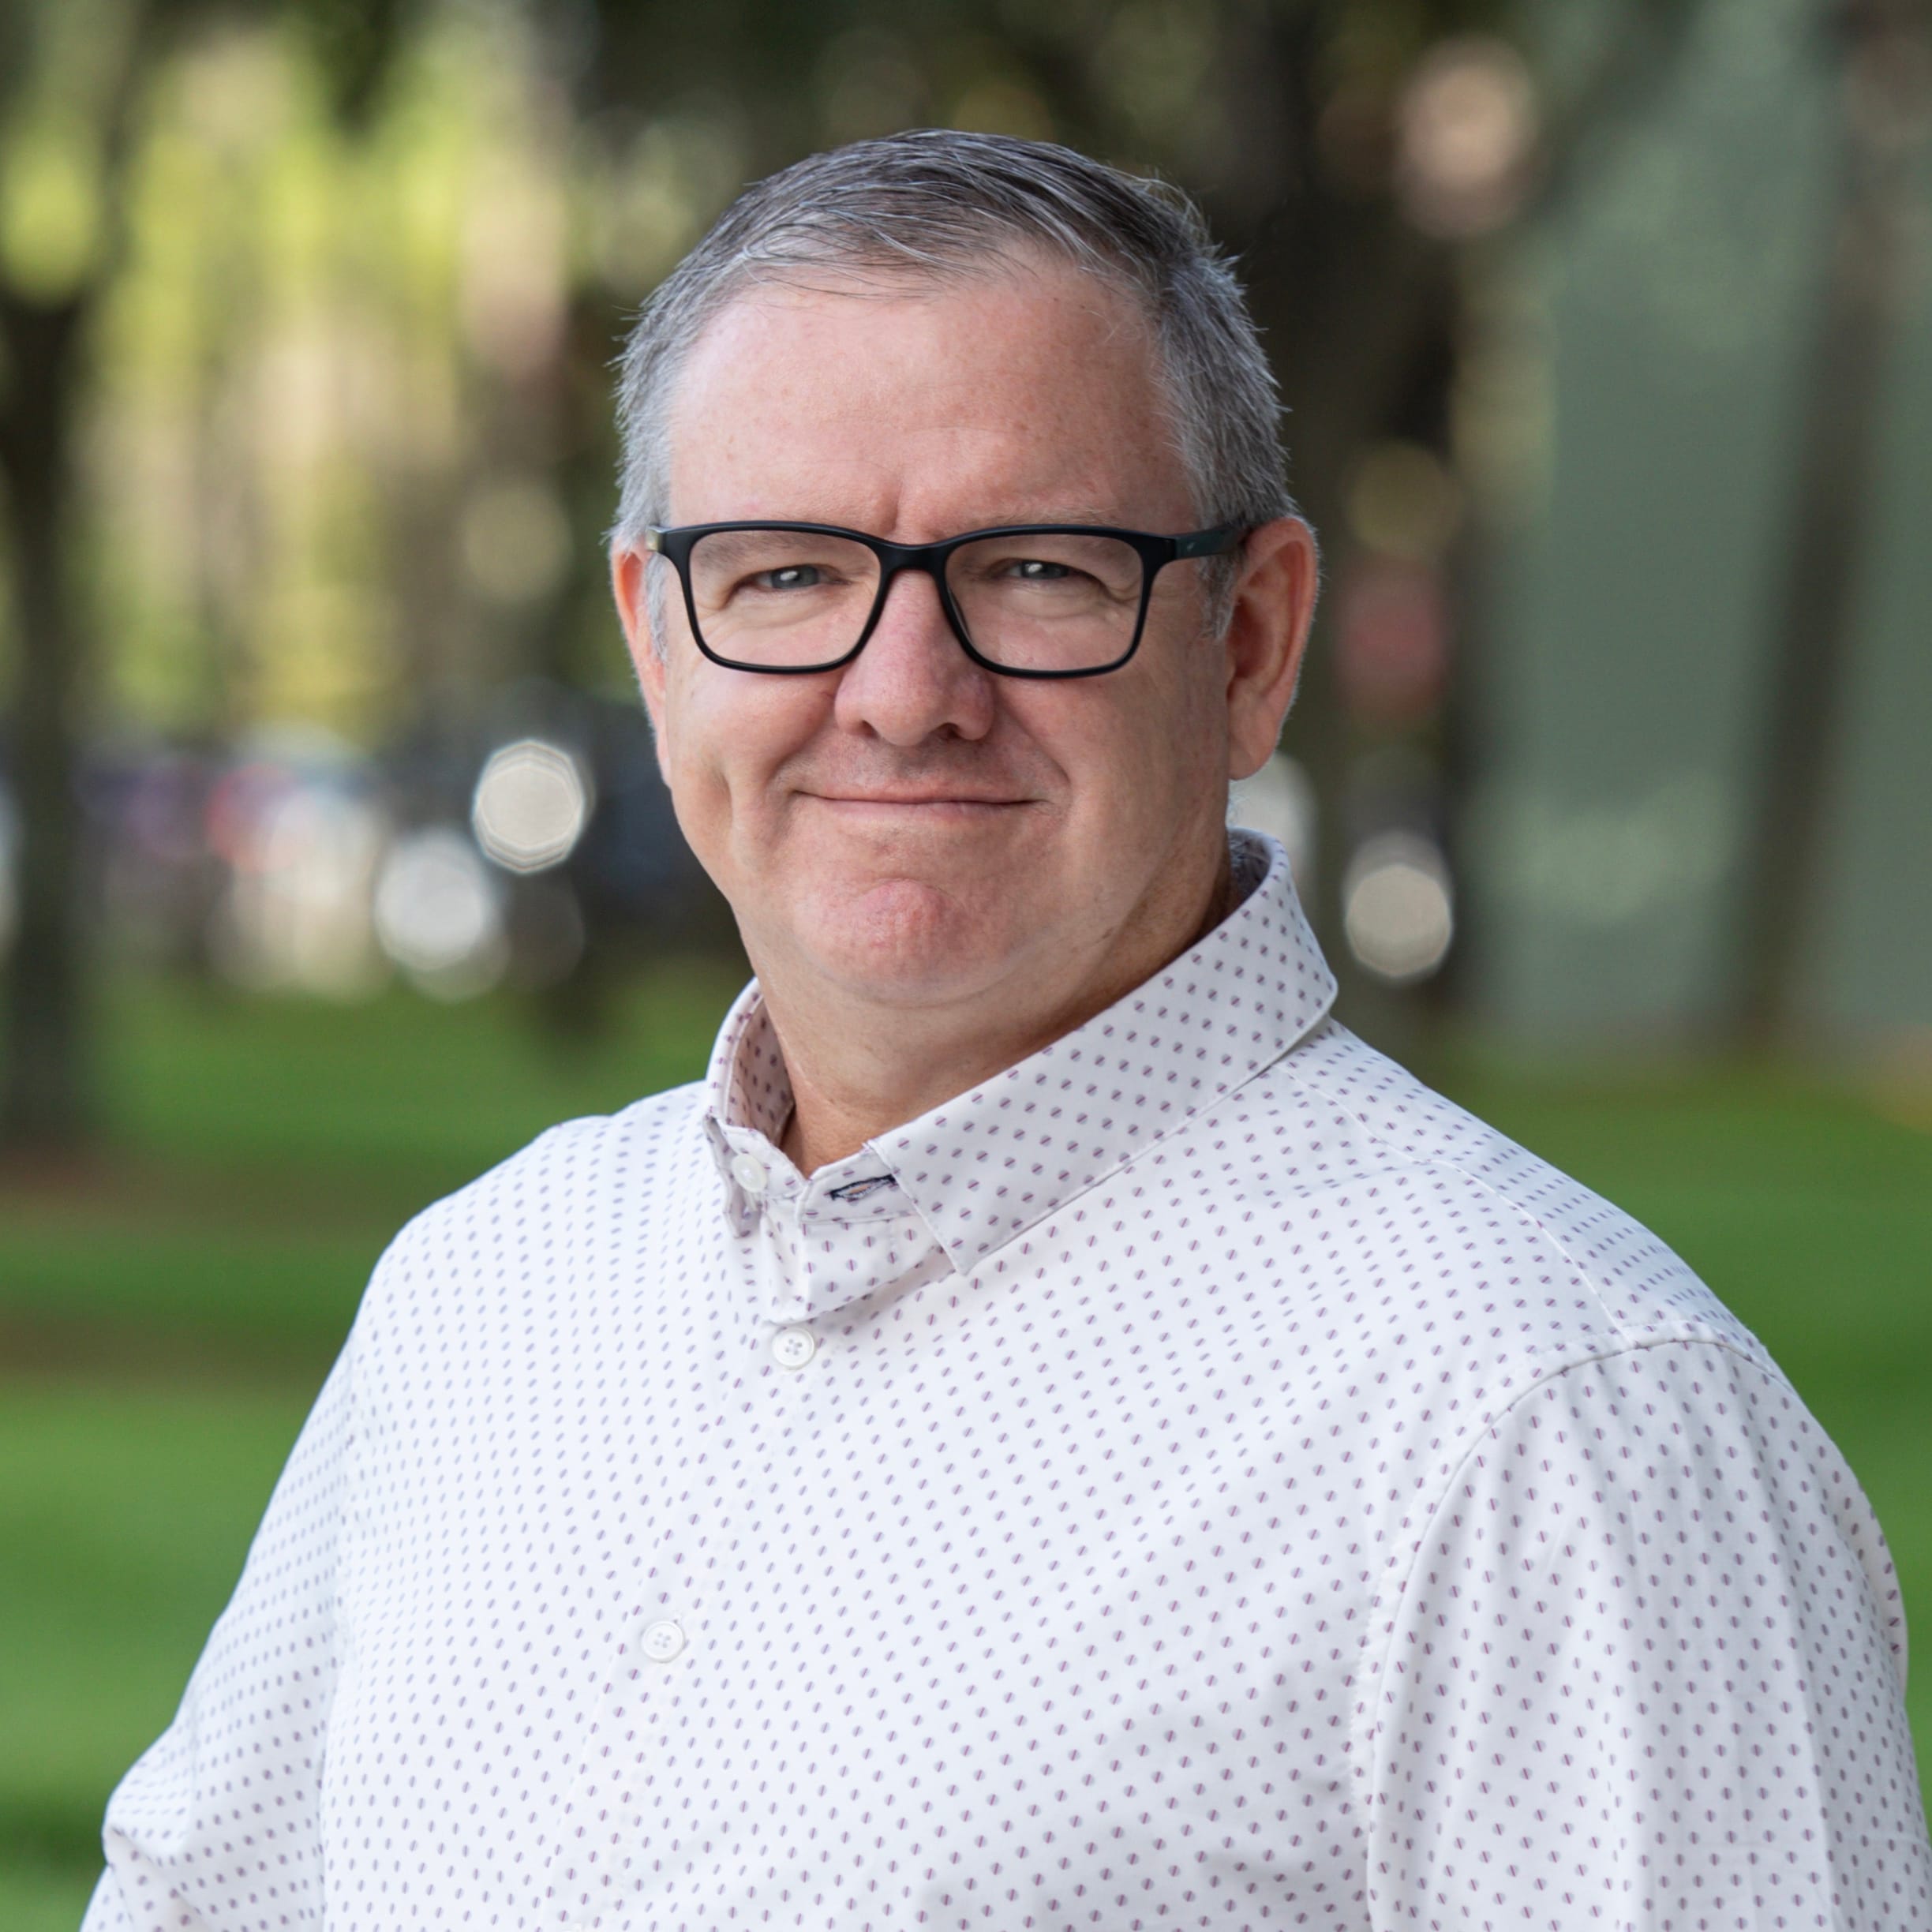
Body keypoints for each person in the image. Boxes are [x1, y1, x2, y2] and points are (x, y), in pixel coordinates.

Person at [84, 129, 1929, 1932]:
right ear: (657, 643)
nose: (903, 694)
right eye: (787, 574)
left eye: (1040, 569)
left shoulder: (1563, 1432)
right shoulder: (486, 1299)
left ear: (1253, 642)